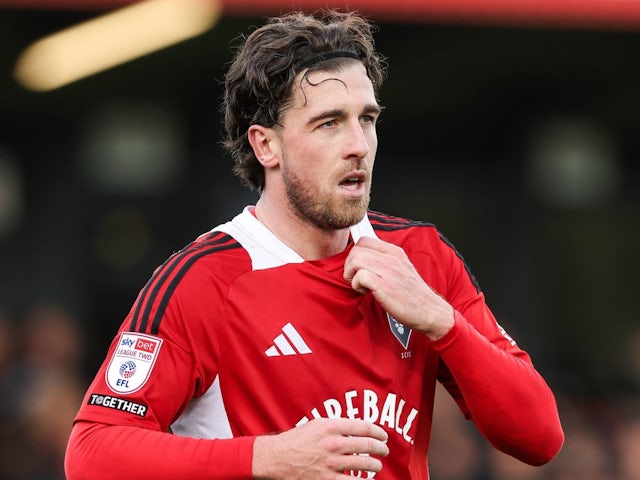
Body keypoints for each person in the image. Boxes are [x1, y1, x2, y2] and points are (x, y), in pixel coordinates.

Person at [64, 9, 564, 479]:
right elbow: (92, 453)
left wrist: (440, 320)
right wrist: (268, 457)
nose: (358, 145)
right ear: (266, 145)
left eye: (366, 119)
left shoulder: (421, 258)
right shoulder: (205, 279)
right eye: (329, 124)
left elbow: (539, 438)